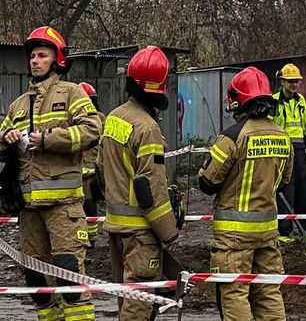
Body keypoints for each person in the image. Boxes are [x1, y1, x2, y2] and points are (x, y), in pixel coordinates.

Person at [0, 25, 101, 321]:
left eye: (42, 55)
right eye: (32, 56)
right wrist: (4, 140)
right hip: (29, 212)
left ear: (57, 59)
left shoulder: (72, 94)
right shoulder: (18, 104)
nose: (34, 61)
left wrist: (47, 139)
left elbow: (92, 130)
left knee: (69, 280)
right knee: (37, 284)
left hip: (63, 209)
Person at [199, 66, 293, 321]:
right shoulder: (283, 136)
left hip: (233, 239)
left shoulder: (232, 137)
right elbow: (284, 182)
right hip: (267, 233)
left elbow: (207, 183)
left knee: (234, 294)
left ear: (239, 102)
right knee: (268, 293)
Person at [96, 46, 179, 321]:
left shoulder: (114, 118)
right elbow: (149, 189)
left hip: (117, 229)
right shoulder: (147, 127)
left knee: (126, 299)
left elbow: (100, 168)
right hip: (141, 234)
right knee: (138, 306)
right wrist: (169, 233)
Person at [272, 62, 306, 249]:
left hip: (299, 151)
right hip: (282, 152)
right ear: (282, 81)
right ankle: (285, 232)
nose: (294, 84)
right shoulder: (274, 102)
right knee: (285, 191)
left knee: (305, 191)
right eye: (290, 81)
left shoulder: (300, 102)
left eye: (296, 81)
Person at [79, 83, 105, 246]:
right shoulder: (78, 119)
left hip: (90, 174)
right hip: (77, 174)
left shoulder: (99, 119)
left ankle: (91, 238)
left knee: (88, 206)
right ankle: (86, 238)